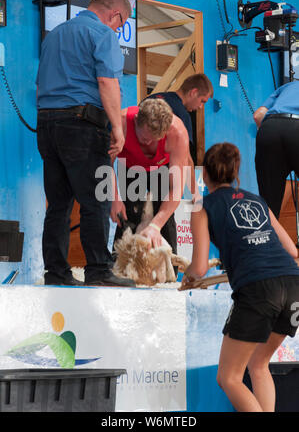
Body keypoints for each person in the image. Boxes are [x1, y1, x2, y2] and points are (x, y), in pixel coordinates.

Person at [181, 142, 299, 412]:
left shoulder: (203, 207)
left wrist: (186, 277)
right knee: (259, 365)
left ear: (205, 175)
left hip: (259, 290)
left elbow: (198, 268)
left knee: (229, 377)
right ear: (236, 173)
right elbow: (292, 250)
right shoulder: (257, 200)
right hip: (294, 286)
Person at [36, 0, 135, 287]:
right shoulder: (103, 36)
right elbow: (107, 83)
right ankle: (98, 270)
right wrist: (117, 129)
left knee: (58, 205)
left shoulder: (54, 35)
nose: (118, 31)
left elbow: (40, 83)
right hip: (82, 125)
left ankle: (56, 272)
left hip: (47, 125)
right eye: (120, 25)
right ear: (114, 14)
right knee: (96, 200)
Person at [110, 98, 189, 255]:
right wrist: (114, 198)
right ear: (137, 121)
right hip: (131, 166)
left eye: (156, 139)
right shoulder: (121, 123)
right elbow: (105, 164)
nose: (149, 143)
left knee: (165, 219)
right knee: (127, 215)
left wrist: (155, 226)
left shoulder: (178, 133)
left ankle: (169, 276)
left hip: (162, 167)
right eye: (145, 138)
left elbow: (177, 188)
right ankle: (118, 267)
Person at [146, 74, 213, 195]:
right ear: (193, 92)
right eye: (202, 101)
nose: (200, 107)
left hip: (131, 166)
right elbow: (186, 158)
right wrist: (194, 192)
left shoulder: (151, 98)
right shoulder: (181, 114)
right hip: (158, 172)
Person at [254, 80, 299, 219]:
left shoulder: (288, 86)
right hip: (297, 128)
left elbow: (258, 115)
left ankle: (267, 239)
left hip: (269, 128)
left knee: (268, 205)